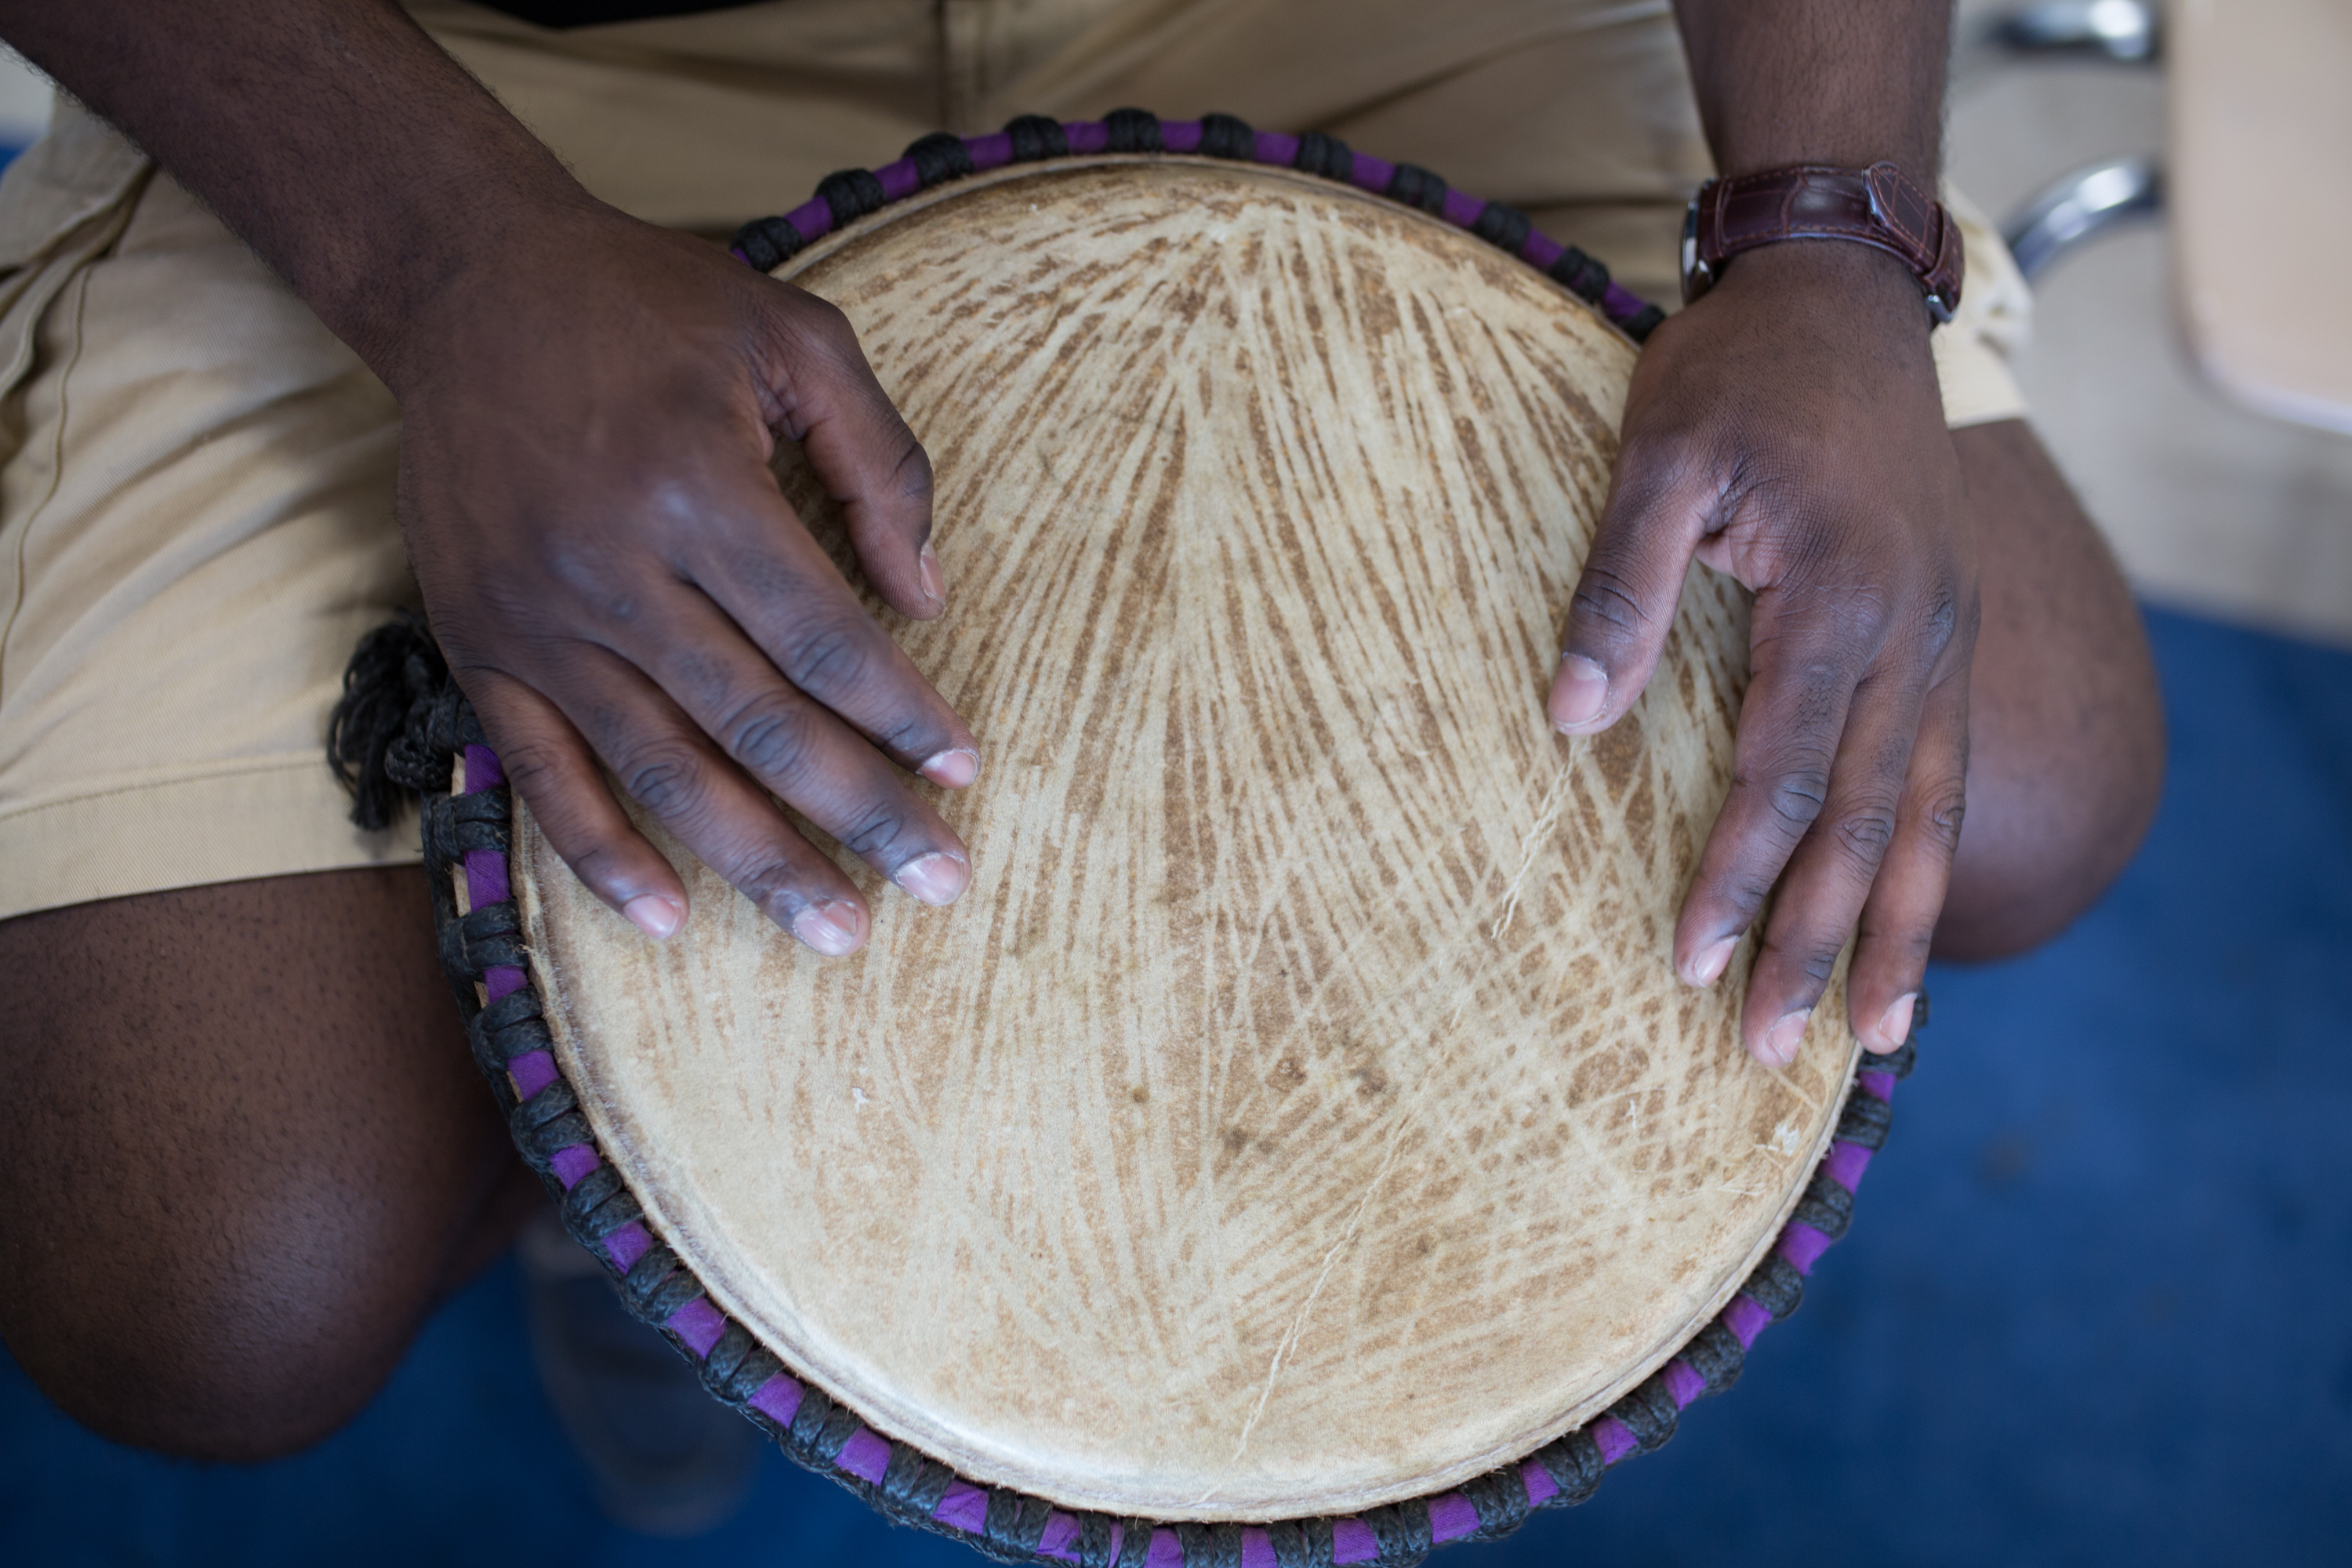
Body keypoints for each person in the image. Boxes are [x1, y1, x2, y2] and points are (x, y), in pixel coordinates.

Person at [0, 0, 2161, 1468]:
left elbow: (1832, 240)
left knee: (2036, 775)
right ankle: (610, 1204)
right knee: (209, 1283)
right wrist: (443, 266)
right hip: (464, 74)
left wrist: (1831, 231)